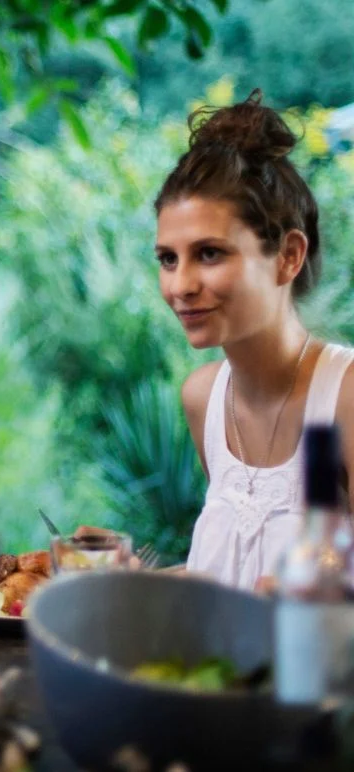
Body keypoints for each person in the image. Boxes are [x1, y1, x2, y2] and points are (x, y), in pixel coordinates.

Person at [154, 89, 354, 591]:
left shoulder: (345, 398)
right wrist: (126, 583)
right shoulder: (203, 398)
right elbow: (228, 577)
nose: (180, 285)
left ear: (288, 256)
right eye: (168, 259)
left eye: (210, 253)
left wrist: (314, 594)